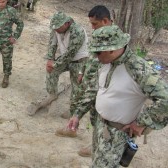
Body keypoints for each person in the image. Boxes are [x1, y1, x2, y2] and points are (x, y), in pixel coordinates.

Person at [66, 25, 168, 167]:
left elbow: (165, 99)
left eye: (98, 52)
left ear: (112, 49)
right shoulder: (104, 62)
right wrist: (77, 114)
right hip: (100, 126)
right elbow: (94, 90)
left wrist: (141, 122)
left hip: (117, 134)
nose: (95, 56)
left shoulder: (139, 69)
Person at [57, 5, 113, 157]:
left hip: (101, 85)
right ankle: (72, 128)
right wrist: (82, 71)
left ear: (106, 21)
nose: (93, 28)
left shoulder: (116, 39)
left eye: (95, 24)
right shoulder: (97, 34)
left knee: (98, 115)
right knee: (78, 99)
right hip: (89, 78)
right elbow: (91, 56)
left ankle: (96, 145)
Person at [27, 11, 89, 124]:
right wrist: (50, 60)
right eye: (54, 28)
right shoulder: (56, 28)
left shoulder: (78, 31)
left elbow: (71, 53)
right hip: (66, 58)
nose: (56, 30)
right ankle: (52, 95)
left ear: (67, 23)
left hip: (80, 61)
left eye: (58, 28)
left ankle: (73, 109)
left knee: (76, 86)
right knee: (51, 71)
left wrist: (55, 64)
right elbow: (52, 44)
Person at [0, 0, 24, 88]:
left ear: (6, 1)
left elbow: (20, 24)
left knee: (7, 61)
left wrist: (15, 37)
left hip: (6, 42)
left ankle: (6, 77)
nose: (1, 4)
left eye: (3, 2)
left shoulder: (12, 11)